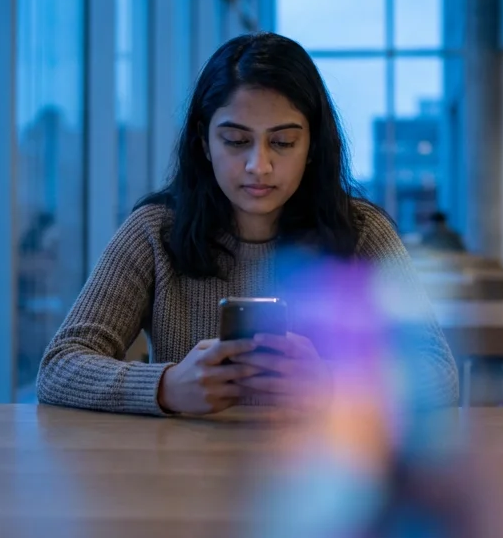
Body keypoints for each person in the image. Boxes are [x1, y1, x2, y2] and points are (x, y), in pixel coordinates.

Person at [36, 32, 459, 415]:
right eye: (236, 141)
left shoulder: (363, 233)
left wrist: (334, 383)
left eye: (283, 142)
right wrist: (164, 386)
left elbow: (438, 372)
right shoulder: (154, 231)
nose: (259, 165)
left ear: (312, 145)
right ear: (203, 141)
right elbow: (60, 366)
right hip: (181, 479)